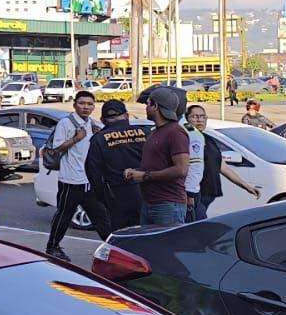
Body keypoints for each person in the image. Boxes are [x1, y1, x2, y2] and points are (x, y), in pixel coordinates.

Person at [44, 90, 108, 258]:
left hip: (89, 180)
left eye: (89, 104)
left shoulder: (91, 124)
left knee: (100, 216)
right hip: (70, 180)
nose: (86, 107)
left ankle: (114, 248)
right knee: (64, 215)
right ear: (74, 105)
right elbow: (56, 149)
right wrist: (76, 139)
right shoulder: (66, 123)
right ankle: (52, 247)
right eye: (82, 103)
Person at [126, 86, 192, 226]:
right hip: (150, 203)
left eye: (148, 103)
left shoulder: (175, 132)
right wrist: (136, 172)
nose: (146, 107)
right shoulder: (155, 132)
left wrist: (145, 176)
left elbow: (181, 169)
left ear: (155, 106)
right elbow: (155, 165)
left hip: (168, 206)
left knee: (167, 247)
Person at [185, 105, 260, 220]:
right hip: (194, 194)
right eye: (194, 116)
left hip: (208, 194)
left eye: (202, 116)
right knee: (198, 228)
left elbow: (222, 166)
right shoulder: (188, 139)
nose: (199, 120)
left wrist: (246, 186)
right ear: (187, 119)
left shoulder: (209, 139)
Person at [85, 99, 148, 232]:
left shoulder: (99, 139)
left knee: (122, 237)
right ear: (126, 115)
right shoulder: (145, 132)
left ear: (102, 120)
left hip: (117, 195)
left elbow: (93, 172)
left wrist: (103, 198)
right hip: (147, 191)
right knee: (146, 235)